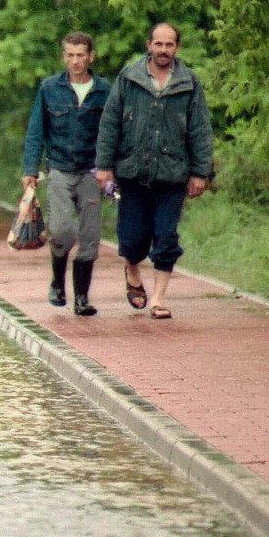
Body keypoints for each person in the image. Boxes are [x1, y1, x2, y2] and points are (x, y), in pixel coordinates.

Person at [95, 22, 214, 319]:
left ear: (177, 48)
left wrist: (201, 172)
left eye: (169, 45)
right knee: (132, 239)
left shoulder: (189, 82)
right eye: (158, 44)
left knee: (165, 237)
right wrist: (105, 167)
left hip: (172, 174)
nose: (163, 50)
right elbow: (110, 123)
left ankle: (159, 299)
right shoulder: (130, 77)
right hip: (133, 172)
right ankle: (132, 271)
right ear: (149, 45)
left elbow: (200, 130)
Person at [23, 32, 112, 316]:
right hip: (59, 169)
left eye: (80, 55)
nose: (75, 61)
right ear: (64, 57)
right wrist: (30, 169)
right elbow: (36, 131)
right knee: (61, 231)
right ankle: (58, 283)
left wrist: (109, 169)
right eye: (70, 55)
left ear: (91, 57)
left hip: (91, 171)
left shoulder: (104, 90)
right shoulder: (50, 88)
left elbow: (111, 132)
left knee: (90, 236)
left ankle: (82, 298)